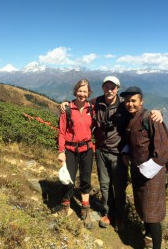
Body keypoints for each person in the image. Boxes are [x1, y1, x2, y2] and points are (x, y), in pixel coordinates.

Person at [60, 76, 163, 232]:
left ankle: (120, 217)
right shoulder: (96, 102)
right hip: (101, 150)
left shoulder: (123, 107)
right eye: (107, 87)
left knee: (119, 187)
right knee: (105, 185)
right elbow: (80, 100)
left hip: (118, 152)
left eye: (113, 87)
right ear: (103, 88)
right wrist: (66, 103)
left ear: (117, 89)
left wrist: (156, 112)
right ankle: (109, 213)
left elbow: (139, 112)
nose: (110, 90)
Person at [120, 86, 168, 249]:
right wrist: (126, 153)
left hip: (153, 174)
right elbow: (130, 141)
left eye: (133, 100)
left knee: (152, 213)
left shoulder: (151, 118)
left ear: (142, 102)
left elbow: (162, 150)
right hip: (138, 171)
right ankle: (147, 238)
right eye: (127, 101)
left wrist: (147, 170)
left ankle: (156, 246)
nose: (130, 104)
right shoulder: (130, 118)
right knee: (143, 207)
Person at [56, 79, 95, 229]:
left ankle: (85, 208)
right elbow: (61, 132)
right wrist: (61, 151)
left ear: (89, 93)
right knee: (69, 178)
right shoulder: (67, 110)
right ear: (75, 92)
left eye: (85, 91)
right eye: (80, 91)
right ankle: (66, 204)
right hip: (70, 149)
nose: (82, 94)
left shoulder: (91, 108)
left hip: (86, 149)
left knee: (85, 179)